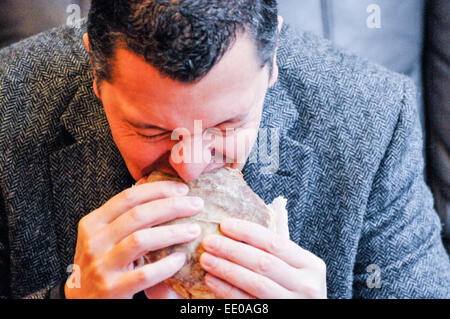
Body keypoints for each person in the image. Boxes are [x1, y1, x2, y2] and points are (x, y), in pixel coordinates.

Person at [0, 0, 449, 299]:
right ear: (96, 75)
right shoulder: (10, 104)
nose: (191, 166)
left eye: (226, 125)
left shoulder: (371, 115)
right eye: (153, 130)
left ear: (271, 64)